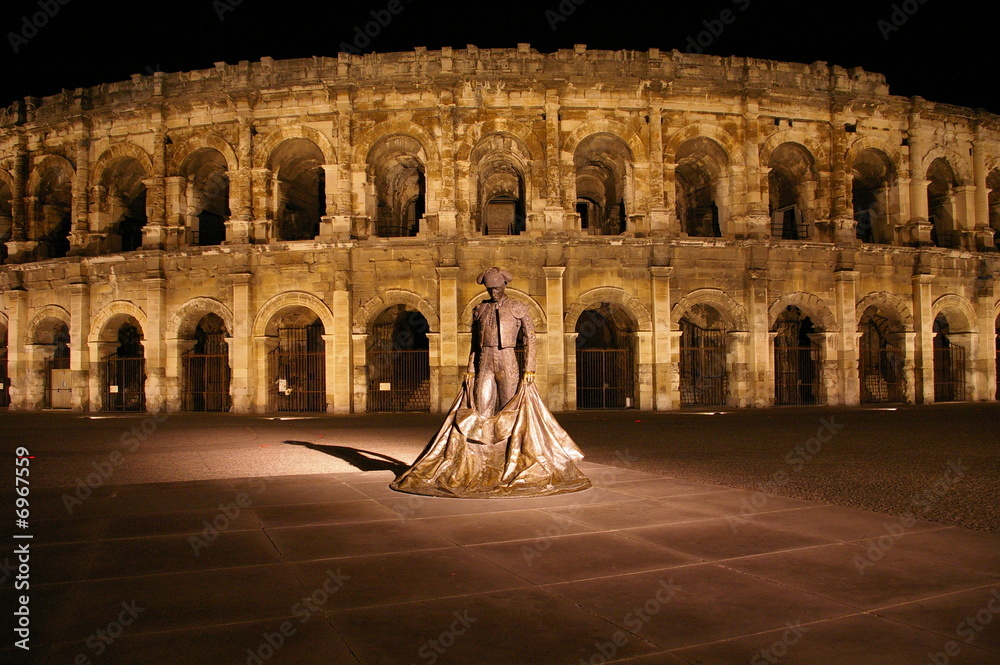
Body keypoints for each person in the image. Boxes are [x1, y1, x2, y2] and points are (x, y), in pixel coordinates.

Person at [390, 267, 591, 498]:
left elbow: (530, 339)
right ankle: (481, 465)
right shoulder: (480, 309)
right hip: (485, 360)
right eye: (489, 289)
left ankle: (512, 460)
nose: (493, 292)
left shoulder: (519, 307)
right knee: (481, 412)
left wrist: (530, 368)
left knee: (511, 411)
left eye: (496, 288)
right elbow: (475, 343)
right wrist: (470, 368)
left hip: (508, 360)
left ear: (504, 286)